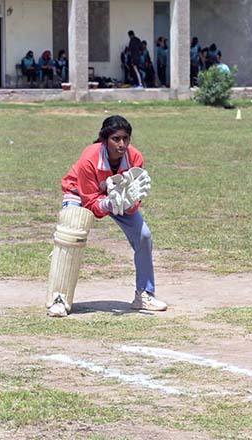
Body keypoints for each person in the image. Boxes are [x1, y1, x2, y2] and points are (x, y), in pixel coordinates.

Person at [47, 115, 167, 317]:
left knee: (144, 236)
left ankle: (144, 294)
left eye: (126, 139)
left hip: (115, 200)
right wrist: (109, 202)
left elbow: (134, 199)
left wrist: (127, 202)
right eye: (116, 139)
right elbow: (89, 201)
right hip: (79, 193)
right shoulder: (89, 158)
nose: (122, 144)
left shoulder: (135, 158)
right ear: (104, 140)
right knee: (70, 234)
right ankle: (59, 298)